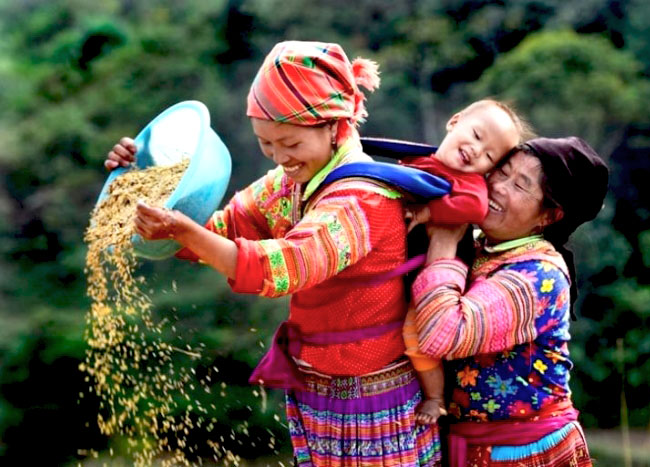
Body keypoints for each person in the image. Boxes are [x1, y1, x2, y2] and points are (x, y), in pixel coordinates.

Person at [105, 41, 441, 465]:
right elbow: (219, 233)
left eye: (291, 144)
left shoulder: (361, 200)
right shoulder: (293, 184)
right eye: (267, 144)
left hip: (374, 400)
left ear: (335, 127)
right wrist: (141, 177)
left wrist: (183, 231)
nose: (281, 158)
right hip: (319, 391)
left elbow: (284, 266)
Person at [410, 136, 608, 465]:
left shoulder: (538, 276)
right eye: (501, 172)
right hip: (469, 445)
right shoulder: (479, 245)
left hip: (525, 451)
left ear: (549, 216)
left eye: (520, 185)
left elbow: (442, 335)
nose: (499, 187)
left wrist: (443, 244)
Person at [399, 99, 530, 425]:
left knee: (414, 336)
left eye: (488, 156)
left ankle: (433, 397)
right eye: (475, 135)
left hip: (442, 271)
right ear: (454, 121)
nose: (475, 150)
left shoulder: (469, 185)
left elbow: (471, 209)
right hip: (405, 264)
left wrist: (429, 212)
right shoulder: (419, 162)